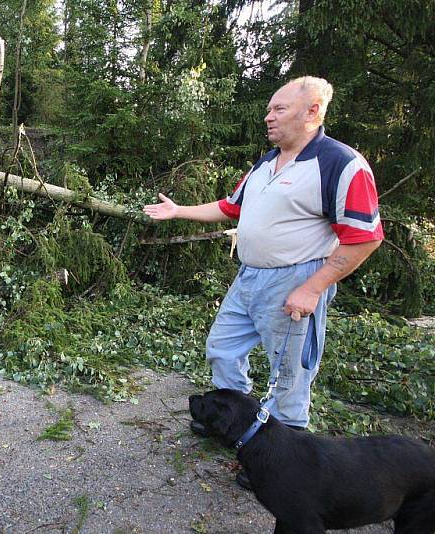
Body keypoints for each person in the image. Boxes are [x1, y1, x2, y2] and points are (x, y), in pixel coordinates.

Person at [142, 76, 384, 490]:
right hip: (249, 277)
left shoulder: (341, 164)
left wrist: (312, 288)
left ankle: (282, 466)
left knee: (288, 375)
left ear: (312, 111)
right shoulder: (266, 163)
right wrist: (179, 210)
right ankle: (232, 424)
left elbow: (365, 237)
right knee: (222, 347)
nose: (268, 117)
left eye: (279, 109)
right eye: (269, 109)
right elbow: (230, 207)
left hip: (295, 279)